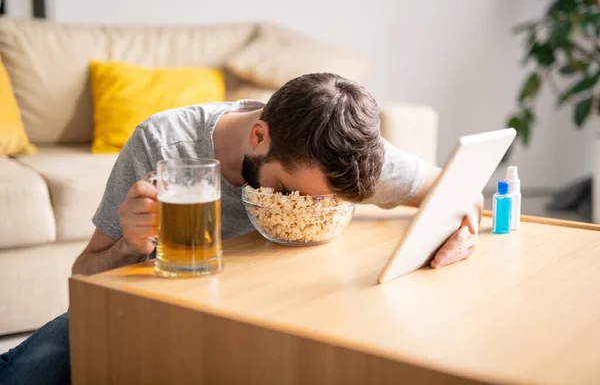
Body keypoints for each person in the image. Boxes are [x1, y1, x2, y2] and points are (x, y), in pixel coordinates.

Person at [0, 73, 481, 384]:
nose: (306, 208)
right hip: (175, 312)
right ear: (259, 136)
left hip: (291, 317)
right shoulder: (162, 142)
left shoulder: (336, 152)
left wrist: (465, 223)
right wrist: (128, 247)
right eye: (291, 194)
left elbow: (462, 189)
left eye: (325, 203)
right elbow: (84, 278)